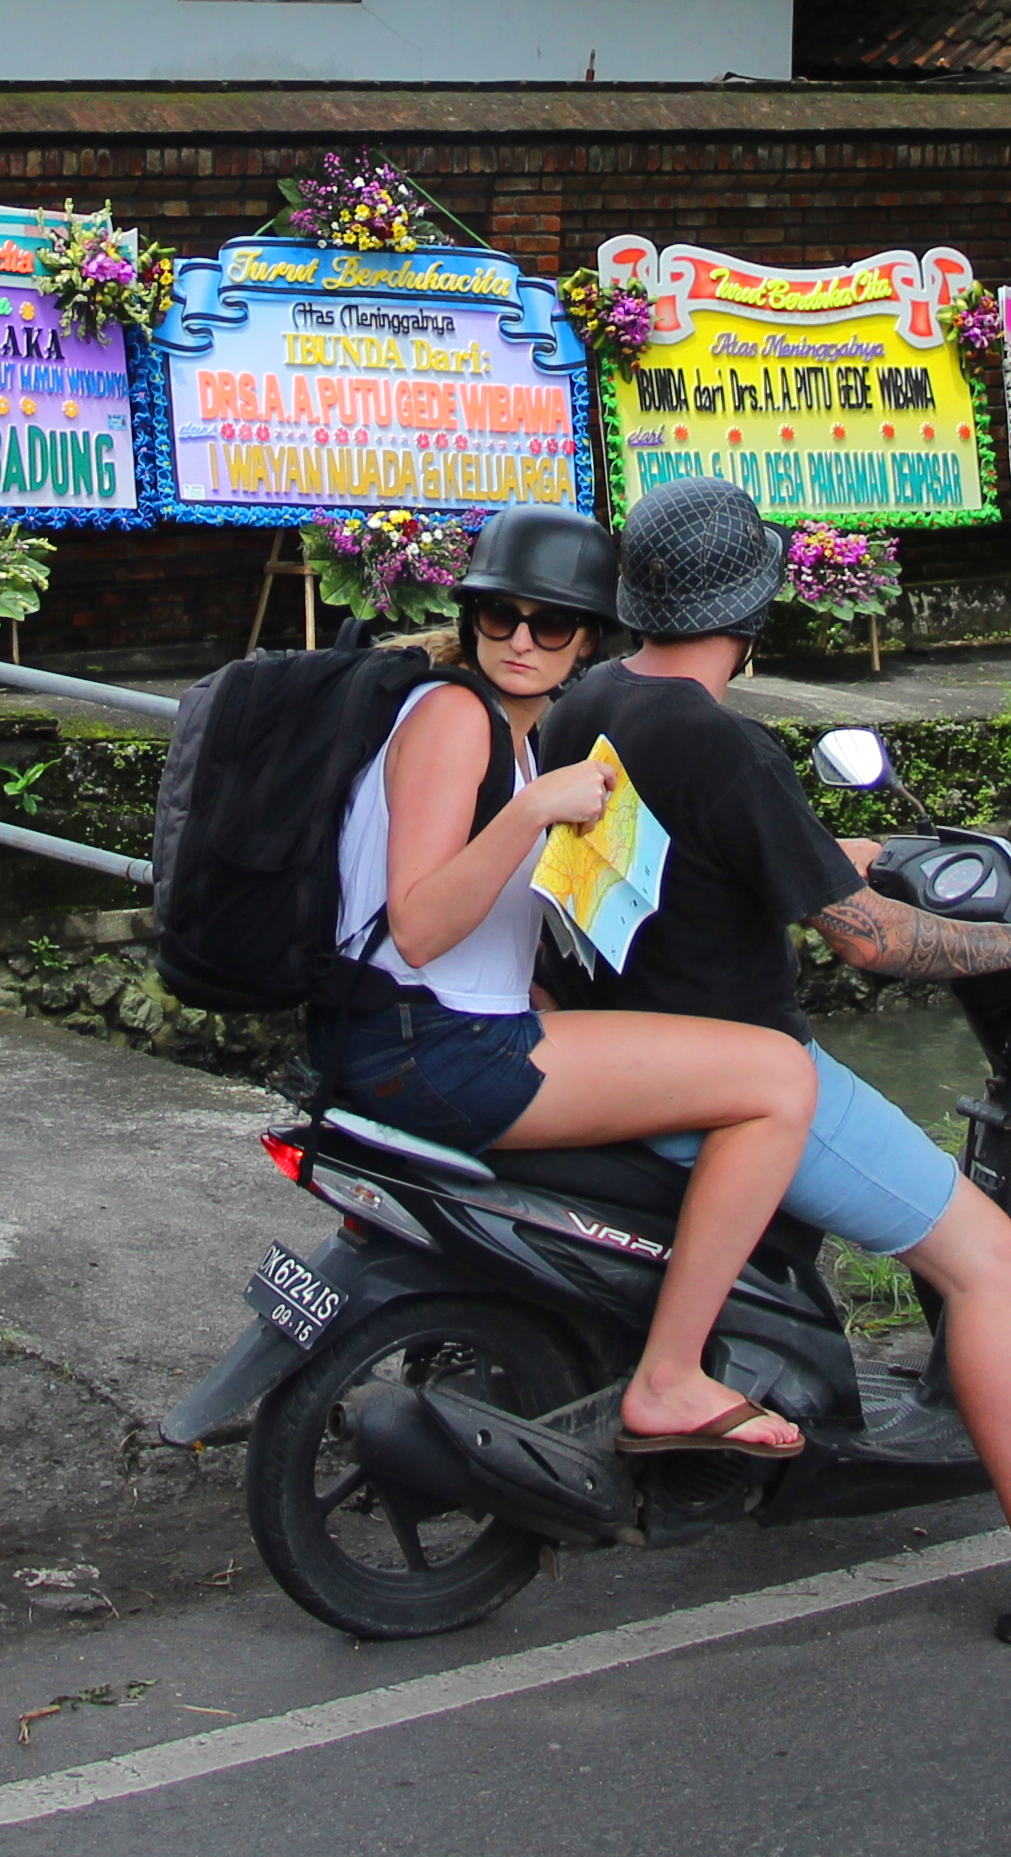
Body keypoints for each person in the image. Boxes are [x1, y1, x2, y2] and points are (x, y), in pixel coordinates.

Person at [543, 478, 1011, 1645]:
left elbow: (687, 857)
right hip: (732, 1074)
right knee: (990, 1260)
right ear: (755, 611)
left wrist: (832, 849)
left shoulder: (590, 701)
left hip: (620, 1053)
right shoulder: (726, 744)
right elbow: (875, 944)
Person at [309, 502, 829, 1459]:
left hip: (427, 1033)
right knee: (779, 1078)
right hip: (433, 1049)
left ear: (588, 638)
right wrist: (534, 811)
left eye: (550, 624)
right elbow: (417, 926)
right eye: (500, 615)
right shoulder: (456, 718)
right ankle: (670, 1378)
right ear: (472, 616)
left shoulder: (505, 726)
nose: (521, 640)